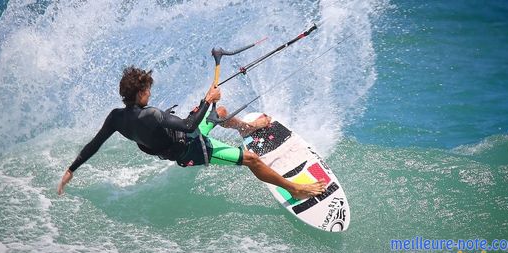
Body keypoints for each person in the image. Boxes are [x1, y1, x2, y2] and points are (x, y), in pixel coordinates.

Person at [57, 66, 325, 199]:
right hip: (192, 149)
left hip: (184, 138)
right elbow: (188, 127)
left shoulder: (116, 117)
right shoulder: (150, 113)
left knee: (220, 114)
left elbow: (94, 144)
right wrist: (208, 98)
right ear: (139, 94)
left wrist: (72, 169)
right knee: (251, 159)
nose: (150, 93)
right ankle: (295, 189)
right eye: (147, 90)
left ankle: (250, 127)